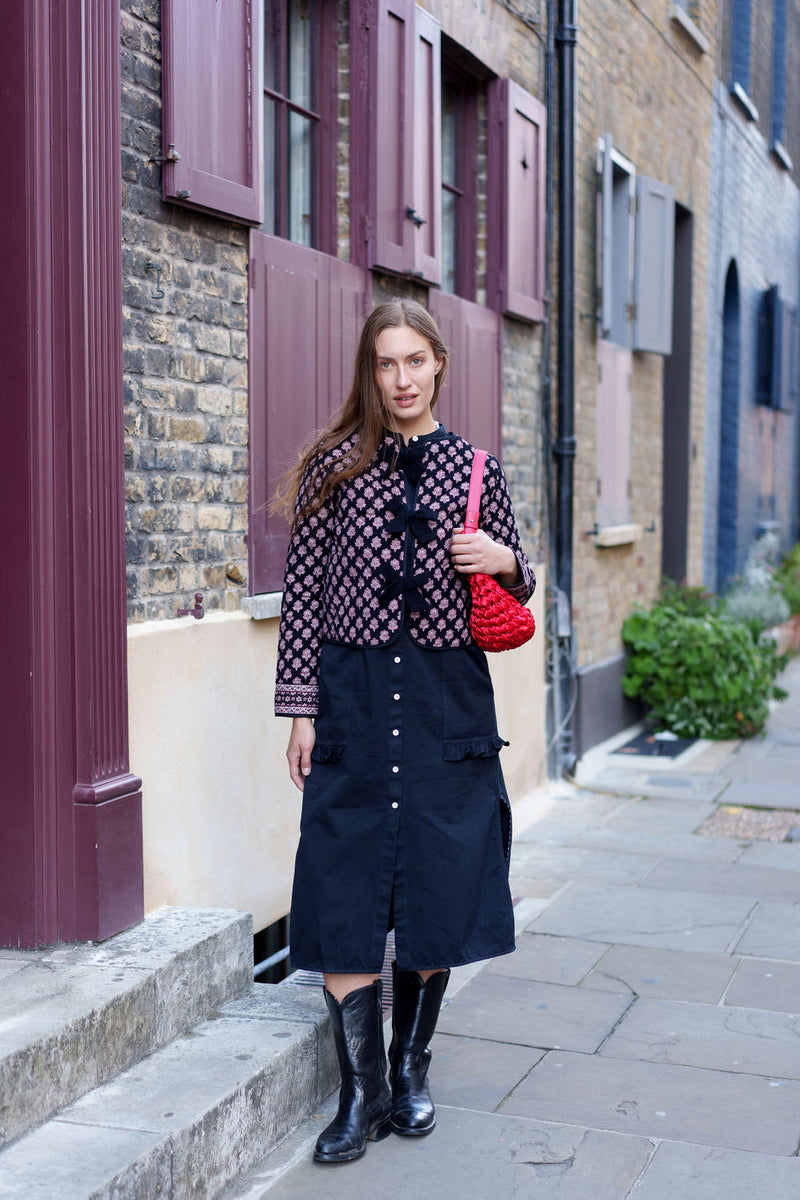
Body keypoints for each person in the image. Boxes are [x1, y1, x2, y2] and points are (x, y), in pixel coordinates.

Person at [273, 298, 535, 1164]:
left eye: (415, 361)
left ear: (439, 367)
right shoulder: (330, 471)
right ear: (370, 373)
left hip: (445, 704)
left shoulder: (475, 470)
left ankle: (411, 1071)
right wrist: (302, 709)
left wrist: (506, 561)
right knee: (341, 889)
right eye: (386, 364)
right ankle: (363, 1095)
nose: (401, 379)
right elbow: (303, 601)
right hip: (351, 695)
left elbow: (517, 584)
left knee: (438, 888)